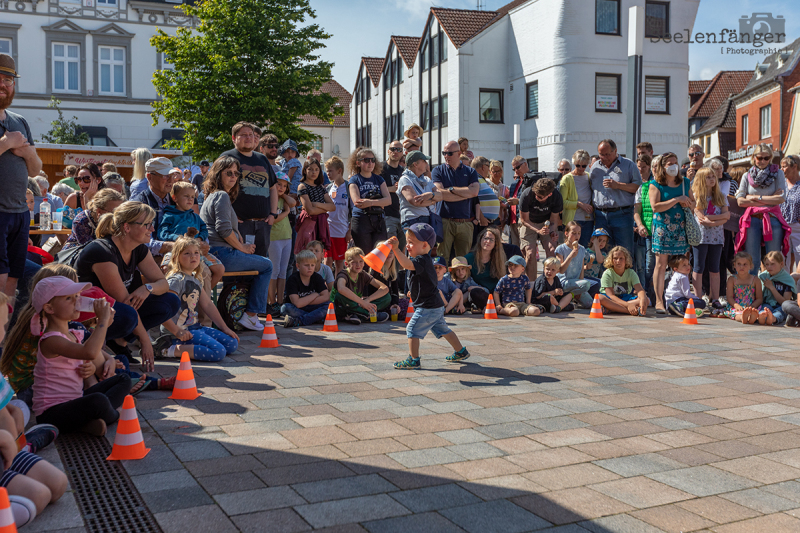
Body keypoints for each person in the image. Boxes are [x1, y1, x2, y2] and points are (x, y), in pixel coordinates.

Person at [75, 202, 180, 370]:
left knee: (170, 301)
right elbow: (123, 301)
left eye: (151, 224)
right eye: (147, 225)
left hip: (116, 309)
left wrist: (147, 288)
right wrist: (146, 342)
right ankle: (95, 340)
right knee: (129, 315)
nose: (152, 229)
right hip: (86, 315)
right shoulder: (102, 251)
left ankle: (119, 341)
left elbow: (163, 284)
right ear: (127, 227)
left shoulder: (138, 248)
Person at [31, 276, 132, 436]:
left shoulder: (73, 334)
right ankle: (114, 414)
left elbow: (88, 357)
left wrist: (90, 368)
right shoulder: (51, 339)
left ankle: (87, 423)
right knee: (98, 400)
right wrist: (103, 321)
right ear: (50, 308)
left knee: (123, 379)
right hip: (51, 413)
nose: (77, 301)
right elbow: (89, 352)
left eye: (77, 296)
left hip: (75, 400)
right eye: (69, 298)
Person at [200, 156, 273, 331]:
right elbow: (223, 230)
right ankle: (251, 315)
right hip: (221, 253)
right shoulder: (222, 195)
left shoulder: (213, 196)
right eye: (229, 173)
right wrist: (243, 248)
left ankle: (237, 312)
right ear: (218, 175)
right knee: (267, 265)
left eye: (236, 173)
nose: (233, 177)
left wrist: (238, 237)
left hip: (217, 252)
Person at [388, 225, 469, 369]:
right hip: (434, 306)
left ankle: (414, 360)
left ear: (425, 245)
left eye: (411, 242)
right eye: (407, 241)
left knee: (412, 329)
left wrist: (396, 249)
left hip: (428, 307)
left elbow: (406, 264)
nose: (407, 245)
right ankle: (461, 351)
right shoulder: (422, 260)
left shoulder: (422, 260)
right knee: (444, 330)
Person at [153, 237, 239, 360]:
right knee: (218, 352)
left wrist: (225, 328)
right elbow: (161, 311)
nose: (193, 256)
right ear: (176, 257)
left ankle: (188, 345)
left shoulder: (196, 279)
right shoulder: (175, 280)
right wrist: (177, 332)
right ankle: (166, 349)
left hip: (195, 327)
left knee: (232, 343)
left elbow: (208, 305)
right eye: (187, 253)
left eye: (196, 253)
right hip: (178, 332)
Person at [0, 55, 42, 303]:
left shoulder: (20, 121)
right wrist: (6, 143)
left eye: (8, 80)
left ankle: (5, 335)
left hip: (19, 212)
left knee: (13, 279)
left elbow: (35, 169)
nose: (4, 85)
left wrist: (27, 152)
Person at [222, 122, 278, 258]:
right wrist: (230, 216)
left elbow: (273, 187)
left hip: (263, 224)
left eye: (251, 135)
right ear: (233, 138)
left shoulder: (262, 159)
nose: (248, 138)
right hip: (240, 224)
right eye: (243, 135)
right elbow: (218, 189)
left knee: (262, 265)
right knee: (240, 267)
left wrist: (273, 214)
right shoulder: (227, 158)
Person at [157, 181, 225, 292]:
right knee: (166, 268)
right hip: (176, 251)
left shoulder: (195, 216)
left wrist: (200, 238)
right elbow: (162, 234)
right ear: (174, 198)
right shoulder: (169, 215)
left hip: (196, 251)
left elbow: (204, 230)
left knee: (220, 269)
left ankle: (201, 294)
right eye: (186, 196)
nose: (190, 199)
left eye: (193, 197)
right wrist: (179, 238)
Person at [649, 151, 694, 314]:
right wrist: (676, 200)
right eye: (669, 163)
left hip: (681, 229)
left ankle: (681, 298)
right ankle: (659, 301)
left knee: (682, 264)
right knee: (660, 265)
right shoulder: (655, 184)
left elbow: (693, 204)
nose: (673, 165)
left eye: (675, 162)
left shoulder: (685, 183)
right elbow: (655, 207)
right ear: (662, 166)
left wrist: (688, 203)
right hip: (662, 229)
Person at [735, 144, 790, 275]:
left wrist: (754, 198)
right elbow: (740, 201)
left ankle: (775, 291)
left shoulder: (778, 174)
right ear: (754, 158)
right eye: (760, 158)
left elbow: (781, 198)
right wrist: (770, 198)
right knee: (752, 259)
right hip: (752, 220)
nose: (763, 161)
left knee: (773, 259)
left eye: (766, 158)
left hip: (772, 220)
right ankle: (753, 291)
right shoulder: (747, 175)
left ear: (770, 158)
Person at [589, 139, 642, 255]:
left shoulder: (628, 165)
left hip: (622, 215)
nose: (604, 157)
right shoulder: (595, 167)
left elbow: (637, 187)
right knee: (603, 252)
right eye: (601, 154)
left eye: (607, 154)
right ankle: (606, 274)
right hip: (601, 216)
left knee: (625, 251)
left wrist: (617, 185)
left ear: (616, 151)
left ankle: (626, 273)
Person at [432, 141, 480, 262]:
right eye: (444, 153)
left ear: (459, 153)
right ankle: (442, 281)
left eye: (449, 153)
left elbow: (474, 192)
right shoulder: (438, 170)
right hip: (444, 221)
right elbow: (440, 194)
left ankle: (461, 282)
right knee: (442, 259)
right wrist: (466, 194)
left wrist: (452, 190)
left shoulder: (470, 171)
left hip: (465, 222)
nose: (446, 156)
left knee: (463, 260)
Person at [691, 167, 729, 307]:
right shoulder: (696, 195)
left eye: (713, 176)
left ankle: (715, 298)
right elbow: (701, 218)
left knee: (715, 268)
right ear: (701, 179)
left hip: (717, 237)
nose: (712, 179)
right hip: (700, 237)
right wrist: (719, 219)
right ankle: (697, 298)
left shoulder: (721, 196)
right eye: (708, 177)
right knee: (699, 267)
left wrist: (712, 219)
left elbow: (727, 216)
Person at [129, 157, 177, 259]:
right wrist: (172, 246)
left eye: (172, 175)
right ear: (149, 177)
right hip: (149, 259)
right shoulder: (139, 204)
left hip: (180, 254)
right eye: (165, 176)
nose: (171, 180)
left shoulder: (178, 198)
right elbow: (140, 241)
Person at [331, 247, 390, 324]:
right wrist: (363, 303)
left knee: (387, 297)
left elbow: (384, 288)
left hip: (358, 304)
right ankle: (368, 314)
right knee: (339, 296)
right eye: (354, 262)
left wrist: (367, 300)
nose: (358, 265)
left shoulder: (363, 274)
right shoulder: (343, 274)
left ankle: (357, 314)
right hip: (343, 306)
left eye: (361, 261)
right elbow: (341, 289)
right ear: (346, 264)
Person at [348, 147, 391, 253]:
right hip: (361, 220)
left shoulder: (379, 179)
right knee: (365, 254)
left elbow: (388, 200)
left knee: (379, 253)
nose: (370, 163)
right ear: (358, 163)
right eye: (366, 160)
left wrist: (370, 202)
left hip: (378, 219)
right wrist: (379, 202)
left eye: (373, 160)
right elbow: (357, 202)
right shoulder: (354, 179)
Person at [519, 177, 562, 281]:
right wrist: (538, 231)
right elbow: (524, 220)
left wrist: (552, 232)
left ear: (549, 195)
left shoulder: (556, 196)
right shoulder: (527, 194)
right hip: (529, 222)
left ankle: (549, 282)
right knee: (530, 253)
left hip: (546, 222)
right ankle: (532, 284)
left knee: (552, 249)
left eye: (541, 197)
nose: (537, 197)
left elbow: (554, 220)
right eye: (536, 195)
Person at [267, 173, 296, 316]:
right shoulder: (269, 199)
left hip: (287, 237)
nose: (282, 188)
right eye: (279, 184)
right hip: (274, 238)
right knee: (274, 270)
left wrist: (283, 196)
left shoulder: (283, 199)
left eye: (285, 186)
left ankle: (280, 301)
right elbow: (274, 219)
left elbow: (293, 203)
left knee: (283, 271)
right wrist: (286, 212)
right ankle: (271, 302)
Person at [281, 249, 330, 328]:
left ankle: (300, 321)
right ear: (298, 266)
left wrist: (304, 301)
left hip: (313, 307)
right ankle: (316, 318)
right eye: (306, 265)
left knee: (330, 305)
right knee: (285, 308)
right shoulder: (293, 279)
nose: (310, 268)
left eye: (312, 265)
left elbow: (326, 296)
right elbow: (297, 303)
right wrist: (315, 295)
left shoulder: (317, 277)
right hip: (297, 308)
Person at [295, 159, 334, 253]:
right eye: (310, 169)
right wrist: (324, 208)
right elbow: (310, 211)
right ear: (305, 170)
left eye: (317, 169)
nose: (314, 172)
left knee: (318, 252)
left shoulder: (320, 187)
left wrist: (316, 204)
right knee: (308, 251)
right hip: (309, 222)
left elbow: (333, 207)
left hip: (321, 223)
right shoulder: (302, 186)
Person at [555, 221, 596, 308]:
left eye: (579, 233)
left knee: (591, 304)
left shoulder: (582, 249)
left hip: (578, 284)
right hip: (564, 282)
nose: (577, 236)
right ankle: (570, 295)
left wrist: (581, 289)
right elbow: (560, 270)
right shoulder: (560, 249)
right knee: (587, 284)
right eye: (573, 233)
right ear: (566, 233)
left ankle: (571, 296)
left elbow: (581, 268)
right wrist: (570, 256)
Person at [598, 246, 648, 316]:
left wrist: (643, 300)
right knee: (599, 298)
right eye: (615, 258)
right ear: (611, 260)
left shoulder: (631, 273)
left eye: (621, 258)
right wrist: (628, 305)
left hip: (624, 297)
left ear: (626, 260)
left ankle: (611, 309)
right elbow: (611, 295)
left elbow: (640, 290)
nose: (618, 261)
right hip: (610, 299)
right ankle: (628, 311)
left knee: (646, 300)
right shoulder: (607, 273)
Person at [558, 150, 594, 246]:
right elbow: (562, 202)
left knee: (585, 250)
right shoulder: (567, 178)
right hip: (573, 220)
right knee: (571, 249)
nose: (581, 168)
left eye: (584, 166)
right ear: (573, 163)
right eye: (578, 165)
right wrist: (579, 204)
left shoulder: (588, 177)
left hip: (588, 220)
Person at [633, 153, 655, 302]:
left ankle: (649, 291)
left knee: (650, 264)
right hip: (641, 229)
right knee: (640, 264)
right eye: (638, 167)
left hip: (654, 230)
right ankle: (643, 292)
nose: (641, 170)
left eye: (644, 167)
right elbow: (637, 210)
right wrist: (639, 225)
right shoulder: (638, 185)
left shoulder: (654, 183)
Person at [397, 151, 438, 229]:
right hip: (413, 220)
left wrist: (430, 195)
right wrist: (433, 201)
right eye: (424, 161)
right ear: (415, 164)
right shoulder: (405, 179)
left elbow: (440, 195)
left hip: (429, 219)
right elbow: (415, 201)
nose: (427, 164)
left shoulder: (426, 179)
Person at [721, 252, 763, 324]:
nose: (741, 267)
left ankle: (752, 317)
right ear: (734, 265)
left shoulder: (755, 280)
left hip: (752, 306)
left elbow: (759, 298)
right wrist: (736, 305)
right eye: (739, 264)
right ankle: (742, 318)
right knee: (736, 314)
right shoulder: (732, 279)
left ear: (750, 266)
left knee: (758, 312)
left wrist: (753, 306)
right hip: (736, 306)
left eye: (745, 264)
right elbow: (729, 297)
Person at [324, 156, 349, 276]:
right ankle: (326, 289)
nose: (328, 173)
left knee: (339, 263)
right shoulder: (329, 188)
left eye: (330, 170)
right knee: (327, 261)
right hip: (328, 231)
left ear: (339, 171)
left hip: (342, 232)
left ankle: (338, 288)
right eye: (327, 171)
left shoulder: (349, 188)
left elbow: (353, 212)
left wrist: (349, 231)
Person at [464, 227, 506, 294]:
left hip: (495, 294)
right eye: (486, 238)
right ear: (480, 239)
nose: (488, 241)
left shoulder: (499, 259)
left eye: (491, 240)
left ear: (496, 243)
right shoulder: (468, 258)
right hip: (475, 293)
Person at [758, 251, 795, 325]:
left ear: (781, 264)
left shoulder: (787, 279)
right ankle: (762, 317)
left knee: (781, 312)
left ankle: (773, 318)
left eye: (772, 264)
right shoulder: (763, 277)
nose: (769, 267)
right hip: (768, 303)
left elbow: (784, 303)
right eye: (767, 264)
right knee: (764, 310)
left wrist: (772, 287)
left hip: (781, 306)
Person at [471, 156, 502, 242]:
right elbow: (473, 199)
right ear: (483, 167)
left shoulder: (481, 179)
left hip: (488, 221)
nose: (489, 170)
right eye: (488, 166)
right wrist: (481, 217)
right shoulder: (475, 179)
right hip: (482, 221)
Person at [382, 140, 406, 251]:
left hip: (402, 216)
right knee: (389, 251)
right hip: (387, 215)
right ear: (388, 151)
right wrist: (392, 189)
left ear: (402, 153)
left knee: (401, 252)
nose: (395, 152)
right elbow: (373, 189)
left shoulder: (403, 171)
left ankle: (399, 270)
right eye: (393, 149)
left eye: (399, 150)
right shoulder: (381, 168)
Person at [780, 155, 800, 271]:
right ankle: (785, 288)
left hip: (797, 227)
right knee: (783, 260)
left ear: (794, 167)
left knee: (799, 258)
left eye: (784, 167)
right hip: (783, 227)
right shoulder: (781, 184)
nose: (782, 170)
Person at [506, 156, 528, 246]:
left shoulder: (532, 180)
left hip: (524, 219)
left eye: (518, 167)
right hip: (513, 219)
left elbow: (535, 199)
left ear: (525, 164)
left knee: (525, 248)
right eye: (514, 169)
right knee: (515, 248)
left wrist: (518, 201)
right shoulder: (515, 182)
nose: (516, 171)